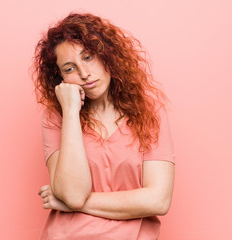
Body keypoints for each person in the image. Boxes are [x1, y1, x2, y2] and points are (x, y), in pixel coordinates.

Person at [32, 12, 176, 240]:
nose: (84, 73)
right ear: (59, 78)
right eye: (69, 69)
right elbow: (73, 193)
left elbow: (158, 200)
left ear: (106, 54)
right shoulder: (55, 117)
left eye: (88, 57)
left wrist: (72, 205)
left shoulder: (150, 112)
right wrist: (70, 112)